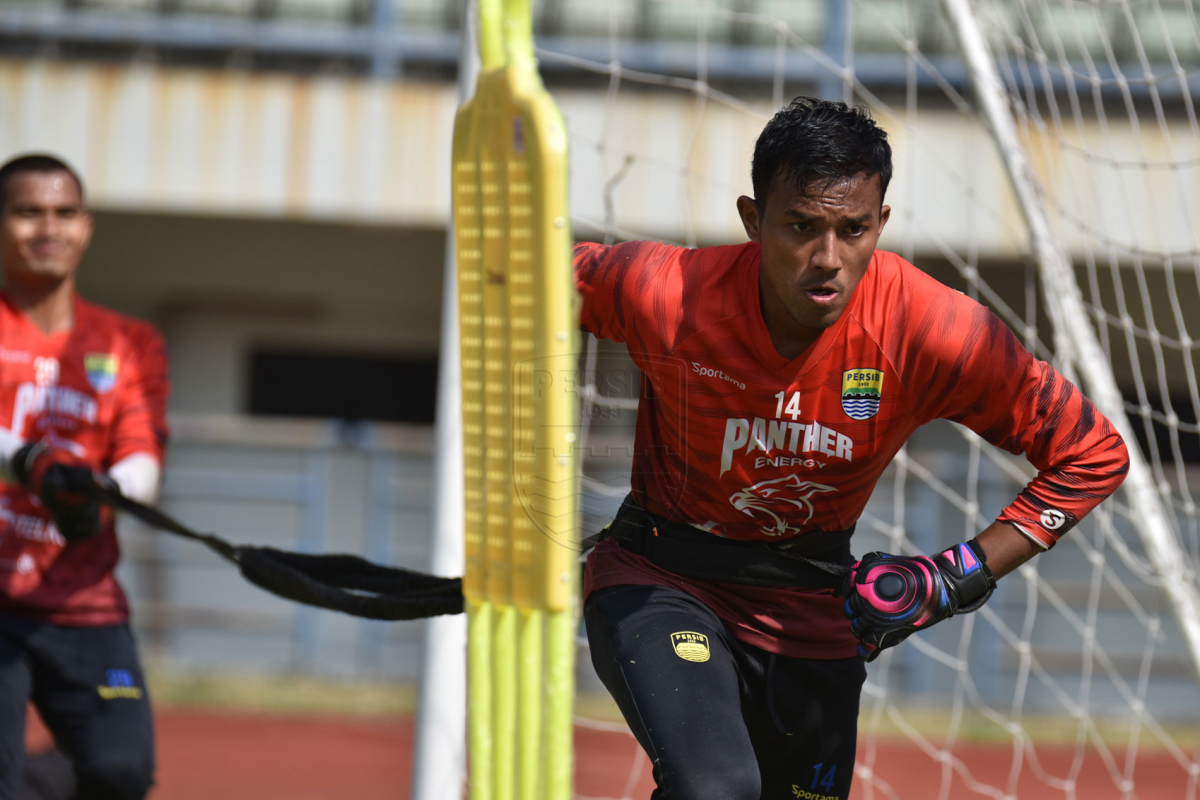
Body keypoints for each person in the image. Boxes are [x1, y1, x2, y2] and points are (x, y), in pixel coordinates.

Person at [575, 98, 1129, 800]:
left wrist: (959, 574)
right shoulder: (663, 291)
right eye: (801, 227)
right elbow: (522, 281)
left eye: (852, 229)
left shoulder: (934, 330)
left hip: (814, 611)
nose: (827, 260)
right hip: (663, 579)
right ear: (753, 222)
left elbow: (1094, 454)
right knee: (715, 789)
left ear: (882, 224)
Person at [0, 154, 167, 799]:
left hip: (86, 610)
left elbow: (142, 458)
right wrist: (34, 464)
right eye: (27, 212)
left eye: (64, 213)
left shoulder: (132, 343)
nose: (49, 228)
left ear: (87, 227)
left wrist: (101, 497)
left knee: (122, 771)